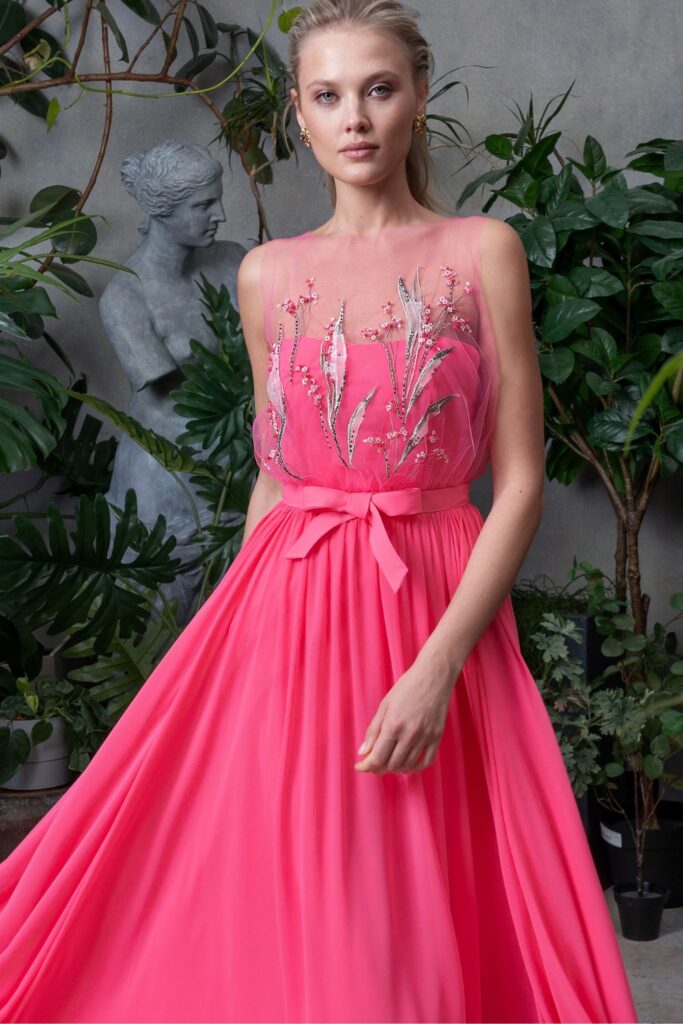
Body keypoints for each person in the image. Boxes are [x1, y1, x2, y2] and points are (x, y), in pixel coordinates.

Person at [0, 1, 639, 1021]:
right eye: (329, 95)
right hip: (287, 603)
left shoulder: (482, 252)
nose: (356, 118)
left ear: (416, 98)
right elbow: (275, 468)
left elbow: (516, 482)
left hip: (432, 599)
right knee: (286, 879)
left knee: (422, 893)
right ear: (298, 114)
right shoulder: (266, 274)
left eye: (378, 89)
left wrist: (435, 664)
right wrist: (233, 638)